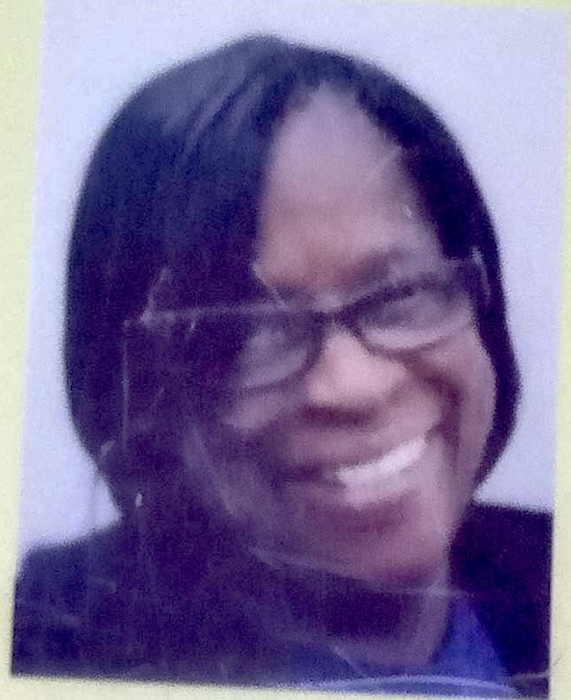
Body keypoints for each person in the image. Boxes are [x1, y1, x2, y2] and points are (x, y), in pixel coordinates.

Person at [12, 35, 551, 697]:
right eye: (253, 334)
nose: (354, 387)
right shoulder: (44, 646)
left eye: (401, 294)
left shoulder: (549, 575)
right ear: (135, 392)